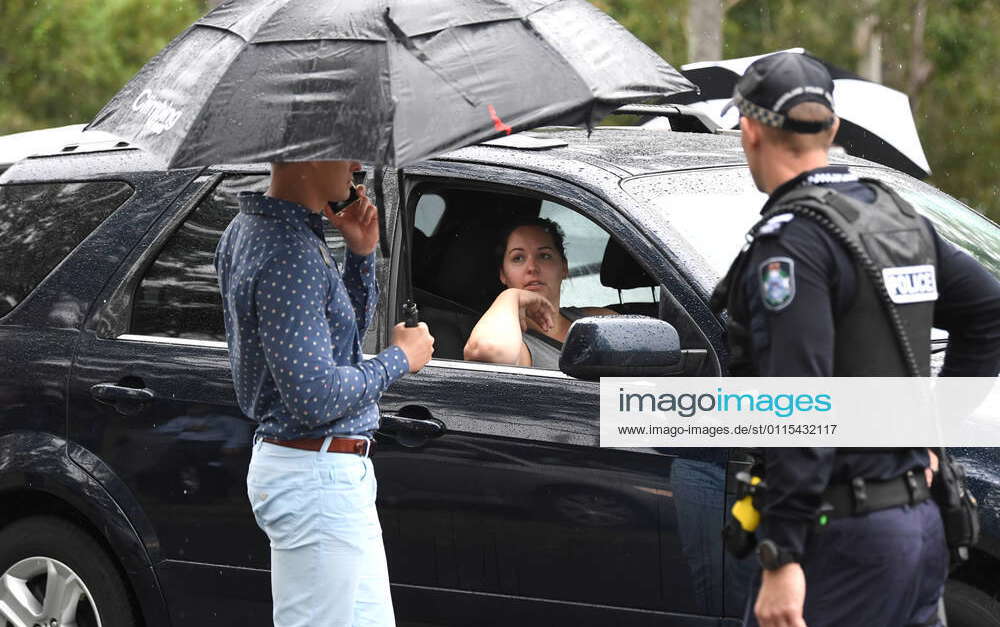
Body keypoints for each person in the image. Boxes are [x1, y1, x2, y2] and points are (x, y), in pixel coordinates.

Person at [710, 52, 1000, 627]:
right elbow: (988, 312)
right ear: (833, 128)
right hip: (916, 527)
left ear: (748, 129)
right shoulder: (896, 215)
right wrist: (930, 434)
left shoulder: (792, 245)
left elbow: (800, 401)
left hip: (837, 539)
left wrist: (782, 554)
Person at [214, 160, 434, 627]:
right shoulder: (286, 250)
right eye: (348, 147)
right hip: (315, 473)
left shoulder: (251, 230)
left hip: (322, 471)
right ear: (308, 152)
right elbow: (314, 396)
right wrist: (400, 358)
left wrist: (360, 254)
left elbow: (336, 345)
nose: (359, 165)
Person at [463, 217, 615, 368]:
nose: (532, 267)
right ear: (503, 274)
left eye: (544, 255)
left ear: (564, 267)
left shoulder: (597, 320)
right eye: (518, 258)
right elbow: (486, 350)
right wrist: (510, 296)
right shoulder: (517, 345)